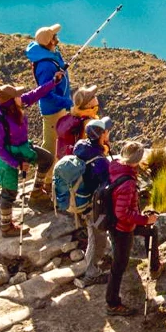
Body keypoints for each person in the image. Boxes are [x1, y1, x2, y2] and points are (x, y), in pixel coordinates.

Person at [0, 73, 62, 237]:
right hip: (9, 158)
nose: (21, 96)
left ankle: (36, 192)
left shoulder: (17, 106)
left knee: (46, 159)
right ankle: (6, 227)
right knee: (9, 192)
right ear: (10, 102)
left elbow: (36, 93)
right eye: (17, 95)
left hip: (23, 149)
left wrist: (53, 81)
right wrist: (17, 164)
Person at [106, 141, 160, 316]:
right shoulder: (128, 182)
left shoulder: (116, 166)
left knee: (152, 232)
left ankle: (155, 267)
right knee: (119, 265)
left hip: (122, 224)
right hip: (123, 228)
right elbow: (122, 213)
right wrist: (145, 219)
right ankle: (112, 304)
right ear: (137, 160)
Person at [26, 23, 72, 209]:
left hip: (57, 107)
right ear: (49, 41)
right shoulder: (45, 65)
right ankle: (44, 184)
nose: (57, 38)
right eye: (54, 36)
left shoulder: (49, 56)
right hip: (53, 109)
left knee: (57, 142)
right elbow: (45, 92)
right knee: (51, 146)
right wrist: (66, 103)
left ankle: (49, 180)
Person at [72, 117, 113, 285]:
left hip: (80, 196)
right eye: (106, 131)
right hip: (92, 204)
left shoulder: (81, 146)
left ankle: (95, 263)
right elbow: (106, 186)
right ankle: (91, 274)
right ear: (102, 135)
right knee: (97, 237)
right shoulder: (100, 161)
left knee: (95, 235)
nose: (109, 132)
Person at [54, 85, 100, 161]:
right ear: (88, 104)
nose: (96, 97)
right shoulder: (88, 123)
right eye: (93, 96)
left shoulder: (72, 116)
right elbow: (93, 147)